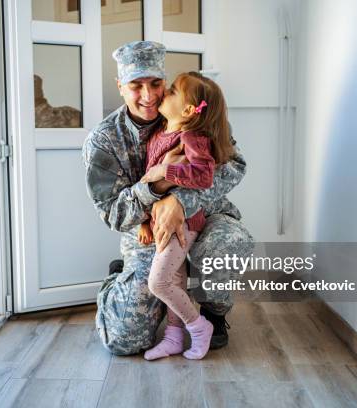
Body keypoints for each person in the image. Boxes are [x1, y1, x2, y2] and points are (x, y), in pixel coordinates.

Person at [82, 41, 254, 356]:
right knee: (124, 341)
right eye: (136, 85)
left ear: (166, 82)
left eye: (156, 84)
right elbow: (113, 214)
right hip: (146, 227)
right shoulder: (104, 140)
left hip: (207, 212)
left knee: (227, 244)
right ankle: (121, 279)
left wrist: (181, 201)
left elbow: (234, 165)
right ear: (121, 86)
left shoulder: (191, 112)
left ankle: (213, 315)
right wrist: (156, 188)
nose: (148, 96)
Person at [138, 71, 235, 360]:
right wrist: (145, 221)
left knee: (160, 282)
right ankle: (173, 336)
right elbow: (147, 186)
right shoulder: (160, 133)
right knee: (175, 281)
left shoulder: (191, 137)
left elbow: (204, 175)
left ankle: (198, 326)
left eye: (172, 91)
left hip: (184, 224)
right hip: (159, 223)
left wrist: (165, 171)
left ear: (189, 110)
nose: (164, 92)